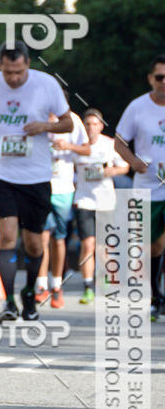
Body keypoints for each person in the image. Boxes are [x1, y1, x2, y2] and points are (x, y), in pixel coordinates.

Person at [0, 40, 73, 322]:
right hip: (0, 174)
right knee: (8, 236)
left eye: (19, 72)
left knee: (34, 244)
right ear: (0, 65)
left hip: (36, 176)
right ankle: (9, 301)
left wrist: (45, 126)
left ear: (28, 65)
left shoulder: (46, 84)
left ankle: (30, 294)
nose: (13, 78)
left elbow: (68, 122)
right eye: (8, 72)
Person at [115, 54, 165, 319]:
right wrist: (133, 162)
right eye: (160, 77)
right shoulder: (137, 107)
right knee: (154, 246)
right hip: (148, 188)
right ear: (150, 79)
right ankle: (155, 295)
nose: (164, 82)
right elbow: (119, 142)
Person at [73, 109, 129, 304]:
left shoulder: (109, 144)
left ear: (101, 126)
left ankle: (105, 281)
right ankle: (88, 287)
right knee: (88, 244)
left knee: (104, 246)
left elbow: (125, 167)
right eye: (87, 124)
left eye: (95, 124)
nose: (91, 128)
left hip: (105, 201)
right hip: (84, 200)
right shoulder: (77, 145)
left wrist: (112, 171)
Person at [36, 107, 90, 308]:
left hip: (63, 188)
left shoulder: (72, 120)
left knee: (58, 239)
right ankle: (41, 285)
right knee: (42, 236)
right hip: (40, 185)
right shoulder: (36, 114)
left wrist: (67, 145)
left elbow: (86, 149)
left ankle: (57, 285)